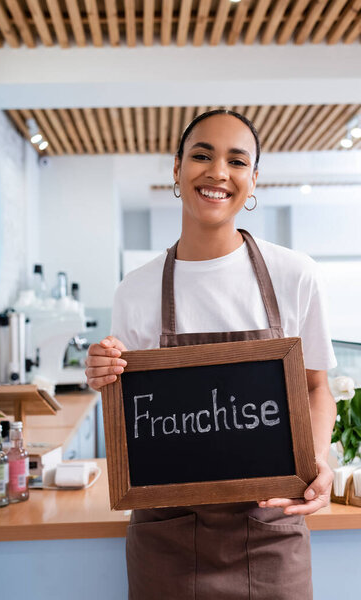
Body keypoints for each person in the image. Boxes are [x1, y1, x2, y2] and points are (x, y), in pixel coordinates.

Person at [85, 110, 337, 599]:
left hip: (271, 532)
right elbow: (133, 421)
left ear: (253, 178)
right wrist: (105, 373)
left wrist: (317, 460)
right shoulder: (134, 292)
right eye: (202, 155)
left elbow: (315, 388)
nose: (218, 172)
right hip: (166, 542)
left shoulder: (295, 275)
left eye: (236, 161)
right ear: (176, 168)